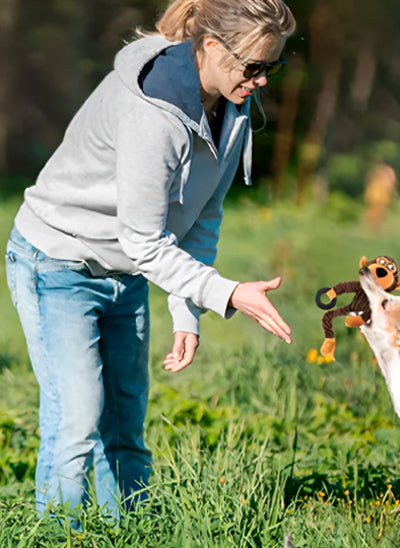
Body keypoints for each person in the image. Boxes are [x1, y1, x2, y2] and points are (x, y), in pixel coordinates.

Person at [5, 0, 295, 522]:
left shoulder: (233, 103)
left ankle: (132, 530)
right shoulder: (152, 111)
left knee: (125, 424)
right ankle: (59, 534)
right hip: (59, 263)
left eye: (271, 68)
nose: (261, 81)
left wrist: (188, 311)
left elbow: (200, 217)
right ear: (210, 47)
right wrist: (226, 293)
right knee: (76, 422)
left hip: (128, 274)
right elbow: (143, 240)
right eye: (253, 67)